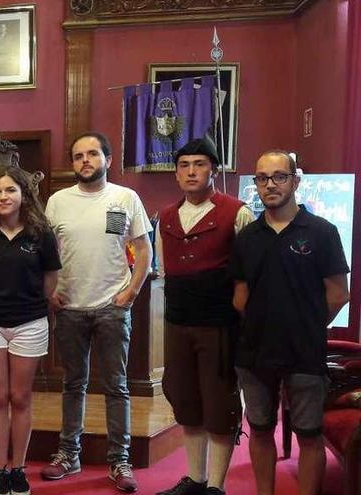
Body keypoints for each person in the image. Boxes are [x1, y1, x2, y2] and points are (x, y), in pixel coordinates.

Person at [230, 150, 349, 495]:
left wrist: (307, 324)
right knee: (261, 429)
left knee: (309, 434)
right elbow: (240, 298)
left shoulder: (322, 232)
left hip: (305, 351)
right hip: (254, 352)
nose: (271, 184)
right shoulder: (247, 238)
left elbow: (338, 294)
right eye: (262, 178)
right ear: (256, 184)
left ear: (295, 181)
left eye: (279, 176)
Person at [43, 132, 152, 493]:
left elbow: (143, 248)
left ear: (108, 158)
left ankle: (119, 461)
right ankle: (68, 454)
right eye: (78, 156)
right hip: (69, 308)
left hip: (111, 307)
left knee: (116, 387)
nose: (85, 161)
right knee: (73, 384)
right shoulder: (57, 202)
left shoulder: (125, 198)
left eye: (92, 154)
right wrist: (51, 291)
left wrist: (131, 291)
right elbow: (46, 254)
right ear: (72, 163)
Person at [154, 138, 255, 495]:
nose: (191, 171)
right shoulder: (165, 217)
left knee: (219, 403)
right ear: (177, 173)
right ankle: (195, 480)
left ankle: (215, 485)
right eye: (184, 165)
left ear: (213, 169)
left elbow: (250, 273)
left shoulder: (237, 212)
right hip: (178, 323)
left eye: (199, 164)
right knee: (186, 400)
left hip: (220, 324)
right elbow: (165, 271)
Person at [0, 166, 61, 495]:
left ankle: (19, 469)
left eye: (10, 190)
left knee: (20, 398)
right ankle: (1, 470)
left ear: (24, 194)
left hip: (30, 323)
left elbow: (50, 281)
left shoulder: (41, 234)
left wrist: (30, 304)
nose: (3, 197)